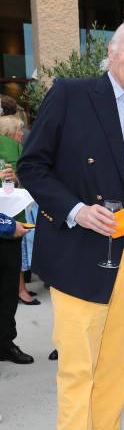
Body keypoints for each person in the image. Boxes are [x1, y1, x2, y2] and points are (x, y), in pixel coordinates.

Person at [17, 20, 124, 430]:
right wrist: (75, 209)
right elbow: (32, 166)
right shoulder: (72, 95)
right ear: (112, 52)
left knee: (119, 365)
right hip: (81, 249)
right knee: (78, 371)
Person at [0, 113, 40, 305]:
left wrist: (13, 178)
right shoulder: (7, 150)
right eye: (17, 131)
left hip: (15, 206)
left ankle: (21, 288)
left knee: (19, 249)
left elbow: (16, 181)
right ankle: (20, 289)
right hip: (9, 214)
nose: (21, 134)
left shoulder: (15, 150)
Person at [0, 211, 34, 365]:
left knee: (8, 293)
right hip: (7, 226)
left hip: (8, 235)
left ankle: (5, 344)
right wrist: (8, 226)